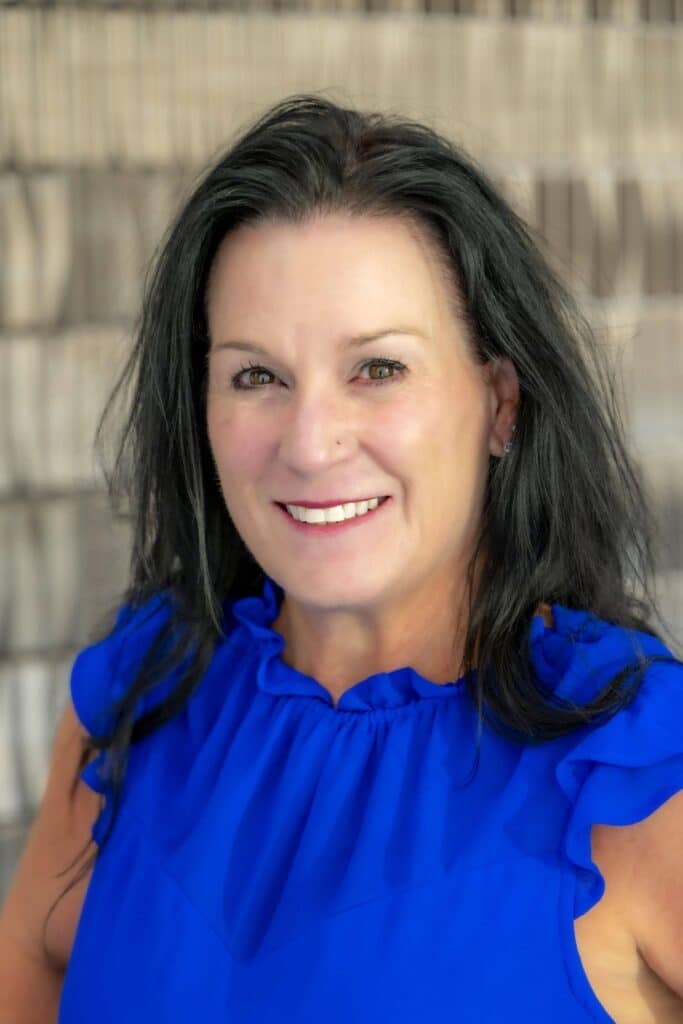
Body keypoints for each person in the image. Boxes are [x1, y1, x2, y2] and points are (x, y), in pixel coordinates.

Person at [1, 93, 682, 1024]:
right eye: (256, 375)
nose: (310, 443)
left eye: (378, 369)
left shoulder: (640, 771)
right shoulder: (137, 694)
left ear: (500, 401)